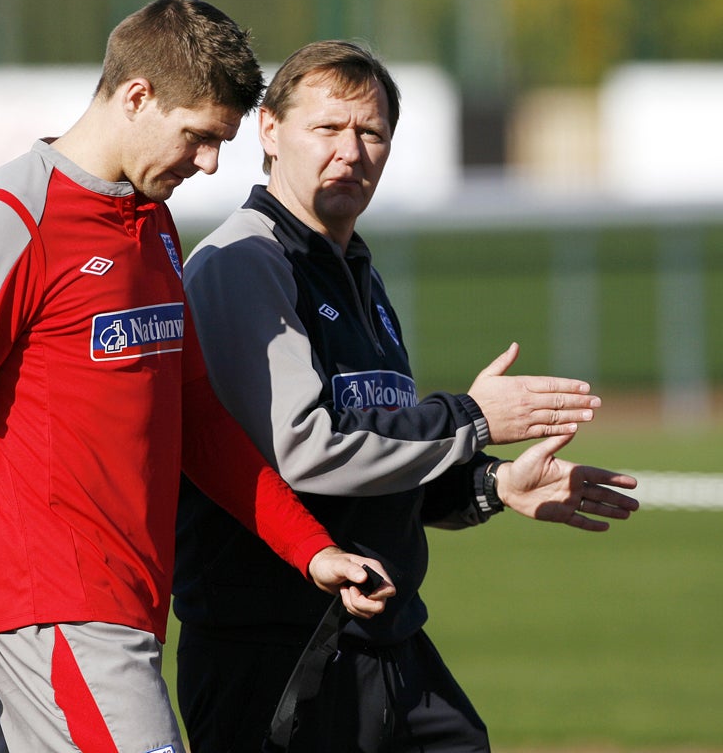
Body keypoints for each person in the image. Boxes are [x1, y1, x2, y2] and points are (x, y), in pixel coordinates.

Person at [0, 3, 395, 753]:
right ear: (137, 96)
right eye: (199, 137)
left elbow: (198, 418)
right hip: (57, 609)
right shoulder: (8, 221)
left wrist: (311, 548)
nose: (210, 162)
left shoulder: (153, 225)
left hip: (130, 607)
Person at [173, 39, 640, 753]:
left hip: (385, 640)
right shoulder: (247, 263)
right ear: (268, 131)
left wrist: (493, 484)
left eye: (372, 132)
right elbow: (307, 452)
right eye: (328, 128)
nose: (352, 151)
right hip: (277, 652)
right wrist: (475, 417)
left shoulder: (356, 271)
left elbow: (376, 464)